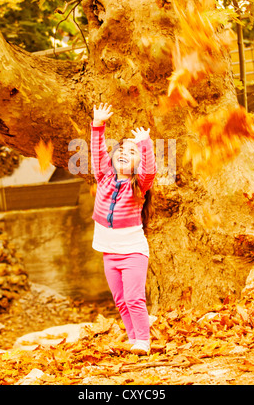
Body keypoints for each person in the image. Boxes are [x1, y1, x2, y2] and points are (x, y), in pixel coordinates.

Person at [90, 103, 157, 355]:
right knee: (120, 301)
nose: (124, 153)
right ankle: (133, 340)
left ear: (138, 163)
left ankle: (143, 341)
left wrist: (144, 144)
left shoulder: (138, 186)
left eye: (132, 152)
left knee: (134, 298)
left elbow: (149, 170)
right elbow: (97, 153)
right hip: (110, 253)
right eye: (122, 150)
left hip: (132, 253)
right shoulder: (104, 177)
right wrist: (98, 125)